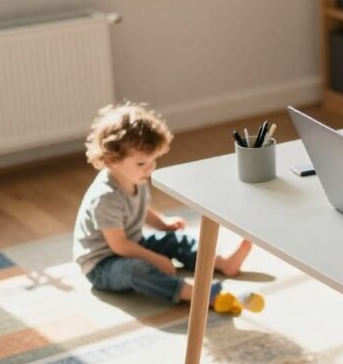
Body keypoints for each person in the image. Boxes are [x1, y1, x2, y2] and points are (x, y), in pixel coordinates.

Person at [73, 101, 253, 309]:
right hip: (103, 265)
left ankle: (222, 263)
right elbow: (119, 246)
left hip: (132, 243)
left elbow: (141, 210)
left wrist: (163, 224)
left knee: (176, 240)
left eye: (153, 161)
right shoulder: (105, 198)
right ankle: (195, 294)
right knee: (137, 270)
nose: (149, 169)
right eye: (142, 163)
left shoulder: (134, 177)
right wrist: (156, 259)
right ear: (111, 159)